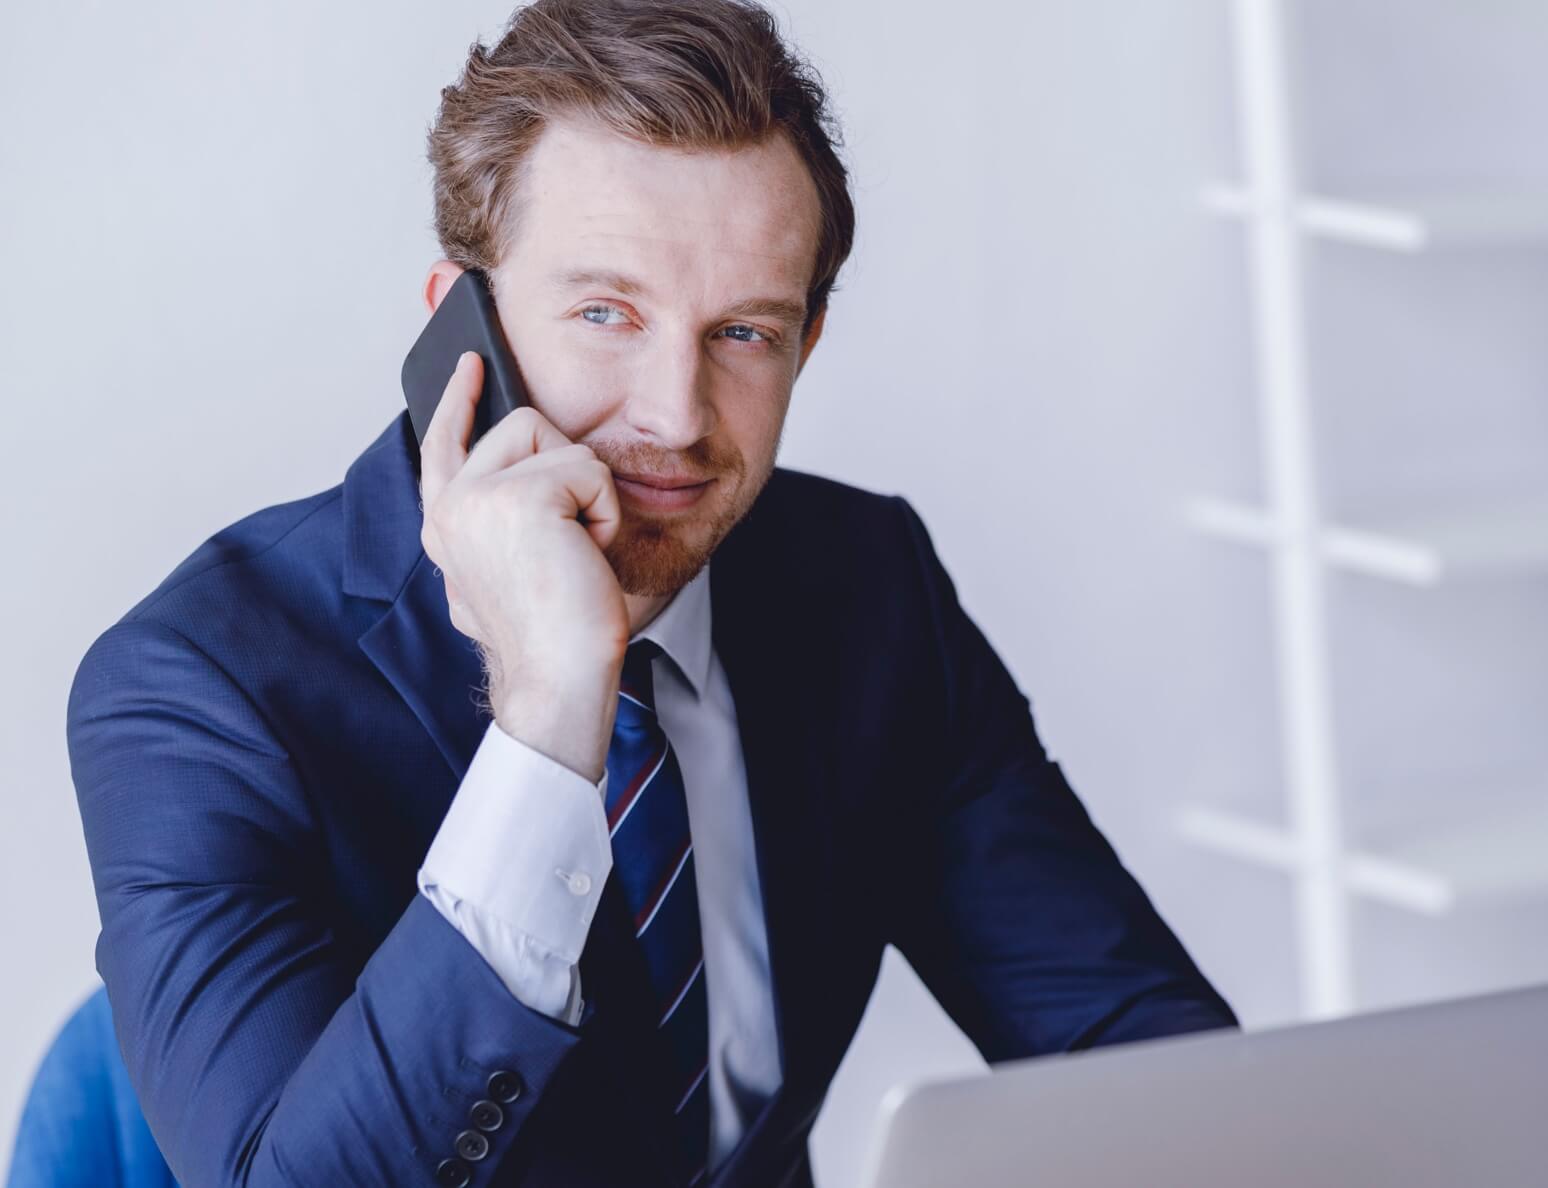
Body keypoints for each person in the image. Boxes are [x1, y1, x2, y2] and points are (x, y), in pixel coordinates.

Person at [66, 1, 1237, 1185]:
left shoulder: (868, 590)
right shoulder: (197, 686)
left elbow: (1138, 1062)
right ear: (456, 329)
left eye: (741, 333)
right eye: (604, 314)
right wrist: (548, 714)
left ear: (807, 343)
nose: (676, 416)